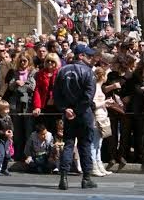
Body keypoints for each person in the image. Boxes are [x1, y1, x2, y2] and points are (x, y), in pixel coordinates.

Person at [54, 44, 98, 190]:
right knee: (84, 144)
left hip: (69, 113)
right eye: (88, 56)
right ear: (81, 56)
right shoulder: (88, 72)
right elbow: (88, 96)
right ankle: (86, 178)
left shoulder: (62, 71)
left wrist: (66, 109)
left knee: (68, 143)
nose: (91, 59)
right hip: (83, 113)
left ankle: (64, 177)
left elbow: (57, 95)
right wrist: (77, 111)